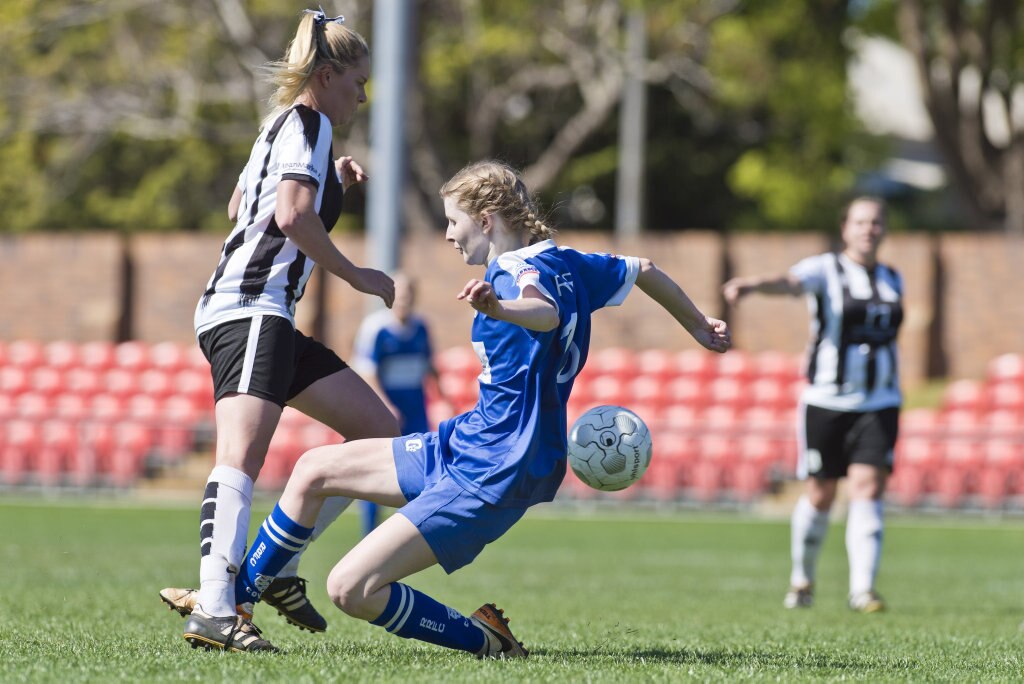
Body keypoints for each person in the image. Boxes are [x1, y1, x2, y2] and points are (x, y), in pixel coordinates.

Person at [223, 159, 731, 657]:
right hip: (472, 441)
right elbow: (643, 269)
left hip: (496, 469)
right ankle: (229, 605)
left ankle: (487, 640)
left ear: (486, 221)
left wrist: (500, 307)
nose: (447, 234)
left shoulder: (512, 273)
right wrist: (697, 324)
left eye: (453, 221)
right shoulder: (571, 261)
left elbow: (545, 313)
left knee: (350, 588)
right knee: (314, 469)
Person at [158, 8, 400, 652]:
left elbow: (244, 206)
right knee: (239, 457)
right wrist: (356, 275)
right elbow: (291, 217)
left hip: (264, 313)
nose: (363, 95)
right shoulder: (310, 122)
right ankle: (215, 606)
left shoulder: (284, 125)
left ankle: (276, 567)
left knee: (382, 435)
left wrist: (329, 182)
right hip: (250, 306)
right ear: (326, 75)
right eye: (357, 83)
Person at [722, 196, 903, 614]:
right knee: (821, 493)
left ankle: (863, 590)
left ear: (884, 229)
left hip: (880, 401)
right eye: (860, 222)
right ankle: (801, 579)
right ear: (845, 228)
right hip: (826, 399)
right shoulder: (826, 269)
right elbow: (789, 283)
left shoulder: (895, 278)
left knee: (868, 487)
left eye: (876, 222)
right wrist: (752, 285)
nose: (869, 229)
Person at [351, 273, 445, 537]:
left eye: (409, 294)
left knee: (421, 469)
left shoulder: (422, 327)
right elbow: (367, 372)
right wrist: (386, 406)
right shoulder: (376, 328)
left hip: (415, 409)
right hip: (385, 411)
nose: (404, 300)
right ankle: (369, 531)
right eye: (399, 294)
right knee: (376, 469)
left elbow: (429, 365)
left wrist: (443, 398)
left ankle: (410, 532)